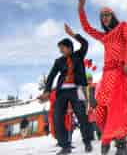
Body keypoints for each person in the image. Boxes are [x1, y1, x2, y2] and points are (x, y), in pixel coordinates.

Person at [78, 0, 127, 155]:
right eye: (102, 16)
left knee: (118, 107)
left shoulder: (122, 27)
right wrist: (81, 9)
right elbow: (87, 29)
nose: (104, 18)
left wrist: (126, 62)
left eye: (107, 14)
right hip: (107, 76)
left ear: (113, 16)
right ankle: (106, 138)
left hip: (120, 71)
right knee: (100, 109)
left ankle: (121, 144)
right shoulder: (104, 37)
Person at [38, 24, 93, 155]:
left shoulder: (79, 55)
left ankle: (87, 142)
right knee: (57, 117)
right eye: (59, 49)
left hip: (76, 89)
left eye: (62, 48)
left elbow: (85, 43)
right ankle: (65, 146)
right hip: (61, 92)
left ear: (69, 47)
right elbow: (51, 76)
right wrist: (46, 91)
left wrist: (72, 34)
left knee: (82, 116)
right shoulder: (58, 61)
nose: (60, 51)